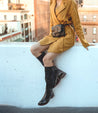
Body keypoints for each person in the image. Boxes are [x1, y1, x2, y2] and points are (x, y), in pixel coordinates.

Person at [30, 0, 94, 106]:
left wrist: (84, 42)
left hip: (66, 35)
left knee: (47, 59)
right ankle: (55, 72)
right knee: (34, 49)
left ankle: (49, 93)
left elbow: (77, 23)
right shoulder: (52, 2)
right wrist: (51, 35)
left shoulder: (70, 3)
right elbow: (51, 21)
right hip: (55, 33)